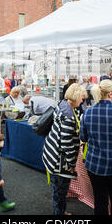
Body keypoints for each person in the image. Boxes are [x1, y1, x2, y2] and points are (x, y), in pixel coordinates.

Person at [79, 79, 112, 215]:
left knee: (100, 200)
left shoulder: (88, 112)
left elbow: (83, 138)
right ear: (109, 94)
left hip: (95, 165)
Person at [42, 83, 87, 215]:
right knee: (60, 191)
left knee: (59, 191)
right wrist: (72, 163)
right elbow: (66, 143)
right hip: (59, 160)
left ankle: (61, 211)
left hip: (52, 152)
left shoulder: (63, 104)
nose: (83, 100)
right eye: (81, 98)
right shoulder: (68, 115)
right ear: (76, 97)